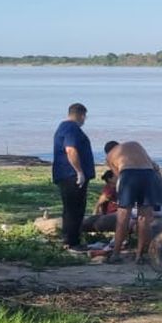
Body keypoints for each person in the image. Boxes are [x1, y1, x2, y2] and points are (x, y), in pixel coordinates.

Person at [104, 140, 162, 263]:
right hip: (149, 175)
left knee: (123, 217)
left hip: (129, 174)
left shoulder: (109, 157)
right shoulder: (135, 144)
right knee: (144, 219)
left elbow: (119, 176)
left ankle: (116, 254)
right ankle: (141, 255)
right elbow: (154, 166)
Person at [51, 103, 94, 252]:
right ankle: (72, 242)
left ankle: (69, 239)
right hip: (71, 175)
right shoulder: (71, 128)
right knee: (75, 209)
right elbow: (70, 150)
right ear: (81, 115)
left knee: (71, 208)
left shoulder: (63, 127)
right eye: (85, 117)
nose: (84, 120)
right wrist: (79, 172)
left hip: (66, 174)